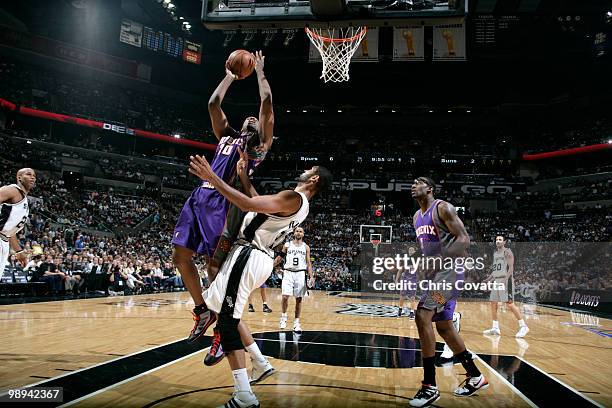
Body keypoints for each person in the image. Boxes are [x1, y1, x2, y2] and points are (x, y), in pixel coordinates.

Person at [188, 151, 332, 408]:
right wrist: (244, 177)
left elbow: (247, 205)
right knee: (226, 313)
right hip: (256, 257)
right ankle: (260, 362)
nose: (306, 168)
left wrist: (211, 176)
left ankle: (244, 395)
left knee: (227, 323)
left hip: (249, 255)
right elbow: (259, 204)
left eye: (310, 168)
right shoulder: (300, 205)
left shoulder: (293, 197)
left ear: (314, 179)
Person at [171, 51, 274, 363]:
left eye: (255, 120)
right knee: (180, 257)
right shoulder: (227, 137)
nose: (252, 118)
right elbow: (213, 104)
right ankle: (202, 311)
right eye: (248, 118)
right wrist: (231, 75)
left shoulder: (257, 146)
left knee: (215, 272)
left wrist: (258, 72)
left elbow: (267, 104)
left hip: (222, 203)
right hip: (198, 197)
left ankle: (222, 333)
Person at [409, 177, 488, 407]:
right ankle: (475, 376)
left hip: (452, 272)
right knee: (444, 327)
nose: (413, 185)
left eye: (418, 182)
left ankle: (429, 386)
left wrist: (439, 261)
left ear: (430, 189)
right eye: (412, 183)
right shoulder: (416, 217)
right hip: (438, 275)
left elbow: (464, 239)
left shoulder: (442, 207)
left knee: (423, 315)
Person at [483, 235, 529, 338]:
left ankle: (523, 326)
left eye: (500, 240)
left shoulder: (507, 252)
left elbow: (511, 267)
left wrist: (505, 280)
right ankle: (495, 328)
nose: (498, 241)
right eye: (496, 240)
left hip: (505, 280)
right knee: (493, 302)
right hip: (497, 280)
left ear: (504, 242)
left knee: (509, 303)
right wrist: (488, 280)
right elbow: (495, 271)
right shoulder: (495, 253)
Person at [275, 227, 314, 333]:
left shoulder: (306, 247)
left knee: (299, 299)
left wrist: (311, 276)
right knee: (285, 296)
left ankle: (296, 323)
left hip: (301, 273)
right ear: (294, 233)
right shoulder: (287, 245)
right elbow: (280, 257)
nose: (298, 233)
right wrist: (272, 266)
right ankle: (283, 317)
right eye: (297, 231)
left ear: (303, 234)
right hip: (288, 272)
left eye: (301, 231)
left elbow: (309, 263)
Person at [0, 168, 36, 277]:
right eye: (28, 174)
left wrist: (18, 252)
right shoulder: (12, 190)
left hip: (4, 241)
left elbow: (10, 232)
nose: (33, 177)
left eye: (34, 175)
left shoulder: (23, 199)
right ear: (19, 177)